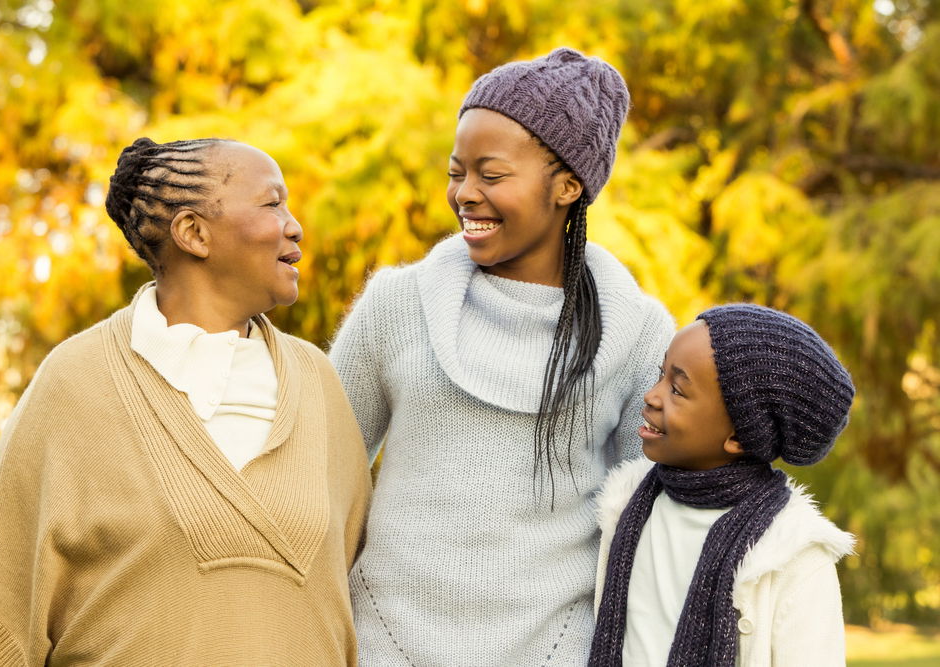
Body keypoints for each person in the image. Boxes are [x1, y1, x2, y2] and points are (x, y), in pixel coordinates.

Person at [0, 138, 371, 666]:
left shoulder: (320, 385)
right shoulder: (74, 385)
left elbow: (363, 588)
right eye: (271, 203)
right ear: (193, 233)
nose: (294, 225)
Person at [329, 48, 674, 665]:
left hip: (558, 648)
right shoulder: (397, 305)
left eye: (490, 175)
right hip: (383, 641)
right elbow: (321, 471)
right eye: (457, 172)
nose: (465, 194)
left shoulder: (639, 334)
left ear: (568, 187)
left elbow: (651, 517)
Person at [588, 304, 856, 667]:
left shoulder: (791, 554)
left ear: (738, 438)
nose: (652, 396)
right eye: (660, 375)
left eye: (678, 390)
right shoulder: (628, 505)